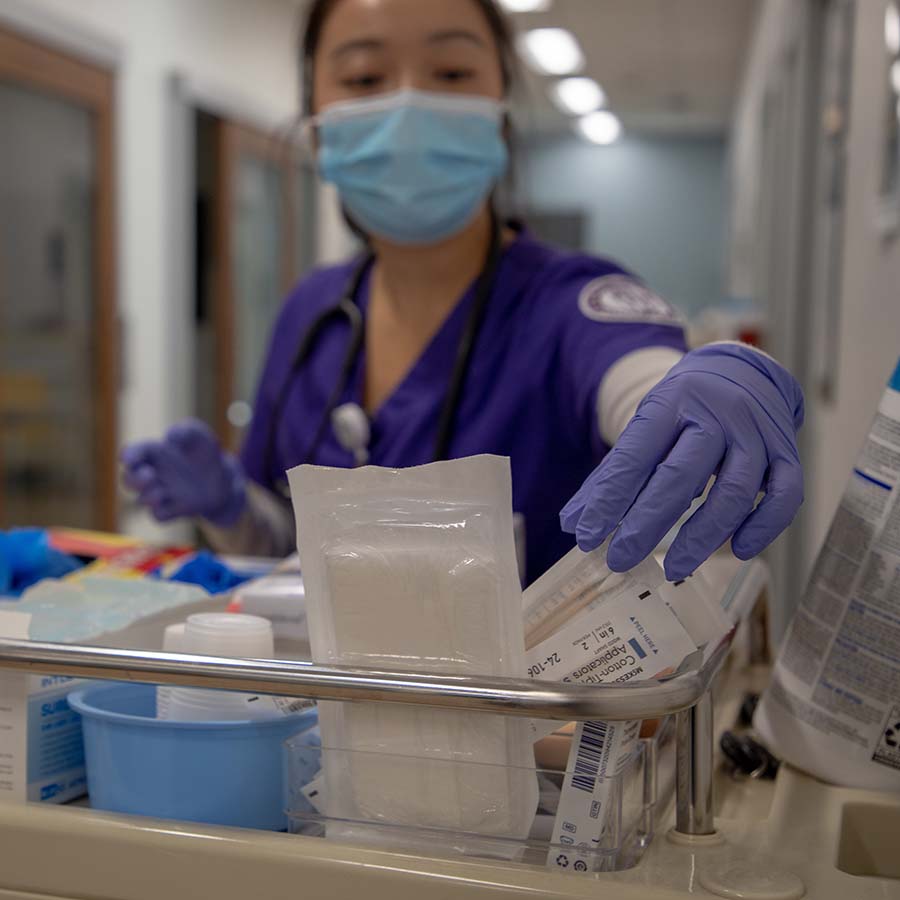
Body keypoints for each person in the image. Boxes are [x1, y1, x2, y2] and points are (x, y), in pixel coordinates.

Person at [121, 0, 804, 586]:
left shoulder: (572, 302)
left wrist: (701, 387)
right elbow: (288, 558)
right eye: (363, 77)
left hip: (534, 735)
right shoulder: (311, 314)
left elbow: (641, 382)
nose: (409, 102)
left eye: (451, 73)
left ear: (499, 110)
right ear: (317, 121)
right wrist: (232, 508)